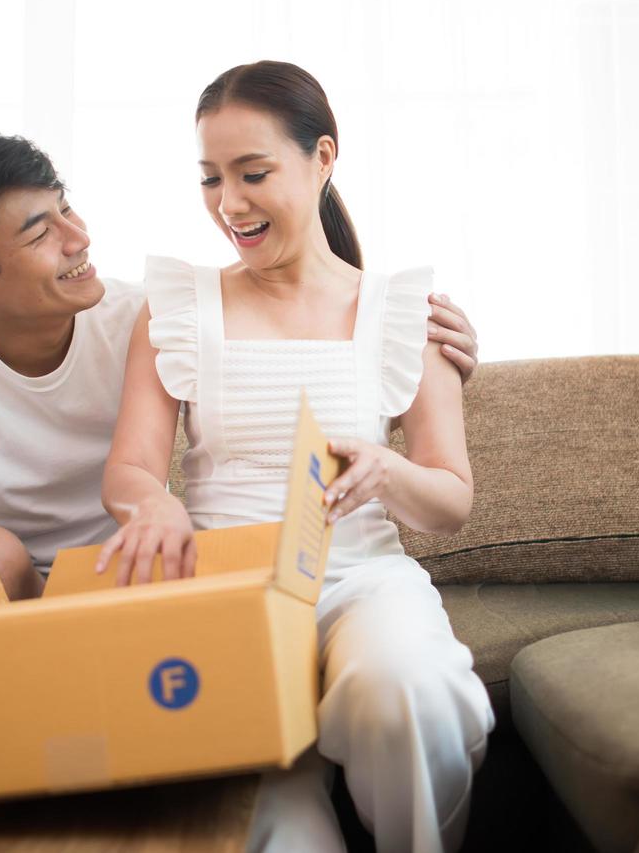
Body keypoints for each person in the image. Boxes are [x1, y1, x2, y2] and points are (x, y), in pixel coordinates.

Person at [99, 61, 494, 853]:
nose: (227, 204)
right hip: (225, 588)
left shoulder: (404, 315)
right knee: (273, 823)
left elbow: (449, 500)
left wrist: (385, 472)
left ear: (323, 157)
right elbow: (129, 467)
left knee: (404, 692)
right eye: (210, 178)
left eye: (252, 174)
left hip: (362, 580)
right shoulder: (177, 308)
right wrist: (156, 502)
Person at [0, 128, 481, 600]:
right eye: (40, 233)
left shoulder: (153, 319)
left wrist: (422, 361)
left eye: (65, 207)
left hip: (138, 571)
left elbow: (305, 394)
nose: (80, 238)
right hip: (5, 589)